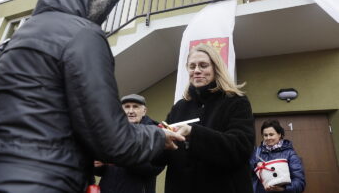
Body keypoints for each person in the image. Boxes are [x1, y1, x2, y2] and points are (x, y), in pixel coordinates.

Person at [0, 0, 184, 192]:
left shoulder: (8, 45)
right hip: (46, 181)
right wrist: (158, 137)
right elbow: (112, 138)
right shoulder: (82, 34)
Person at [154, 43, 255, 193]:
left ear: (216, 68)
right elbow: (162, 158)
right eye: (192, 66)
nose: (197, 71)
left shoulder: (236, 101)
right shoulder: (180, 107)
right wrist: (157, 140)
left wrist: (193, 134)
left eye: (203, 65)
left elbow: (240, 148)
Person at [94, 94, 164, 193]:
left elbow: (154, 168)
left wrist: (121, 159)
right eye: (127, 107)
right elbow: (105, 172)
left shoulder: (155, 133)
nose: (130, 111)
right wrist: (98, 166)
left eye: (135, 106)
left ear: (144, 111)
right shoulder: (112, 133)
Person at [250, 120, 305, 192]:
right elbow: (247, 175)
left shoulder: (289, 154)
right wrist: (255, 165)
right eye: (265, 135)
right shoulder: (257, 152)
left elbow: (300, 183)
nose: (268, 138)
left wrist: (283, 189)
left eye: (271, 134)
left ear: (279, 134)